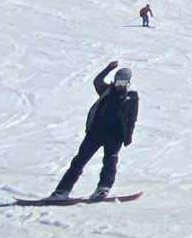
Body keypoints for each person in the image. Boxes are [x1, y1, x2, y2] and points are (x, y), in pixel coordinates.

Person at [50, 62, 138, 201]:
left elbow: (132, 120)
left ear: (128, 83)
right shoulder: (106, 90)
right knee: (79, 161)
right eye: (118, 81)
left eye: (123, 82)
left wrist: (127, 137)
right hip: (95, 133)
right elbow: (97, 81)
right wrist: (108, 69)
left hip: (115, 136)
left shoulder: (131, 98)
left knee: (110, 162)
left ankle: (103, 189)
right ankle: (62, 191)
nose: (119, 85)